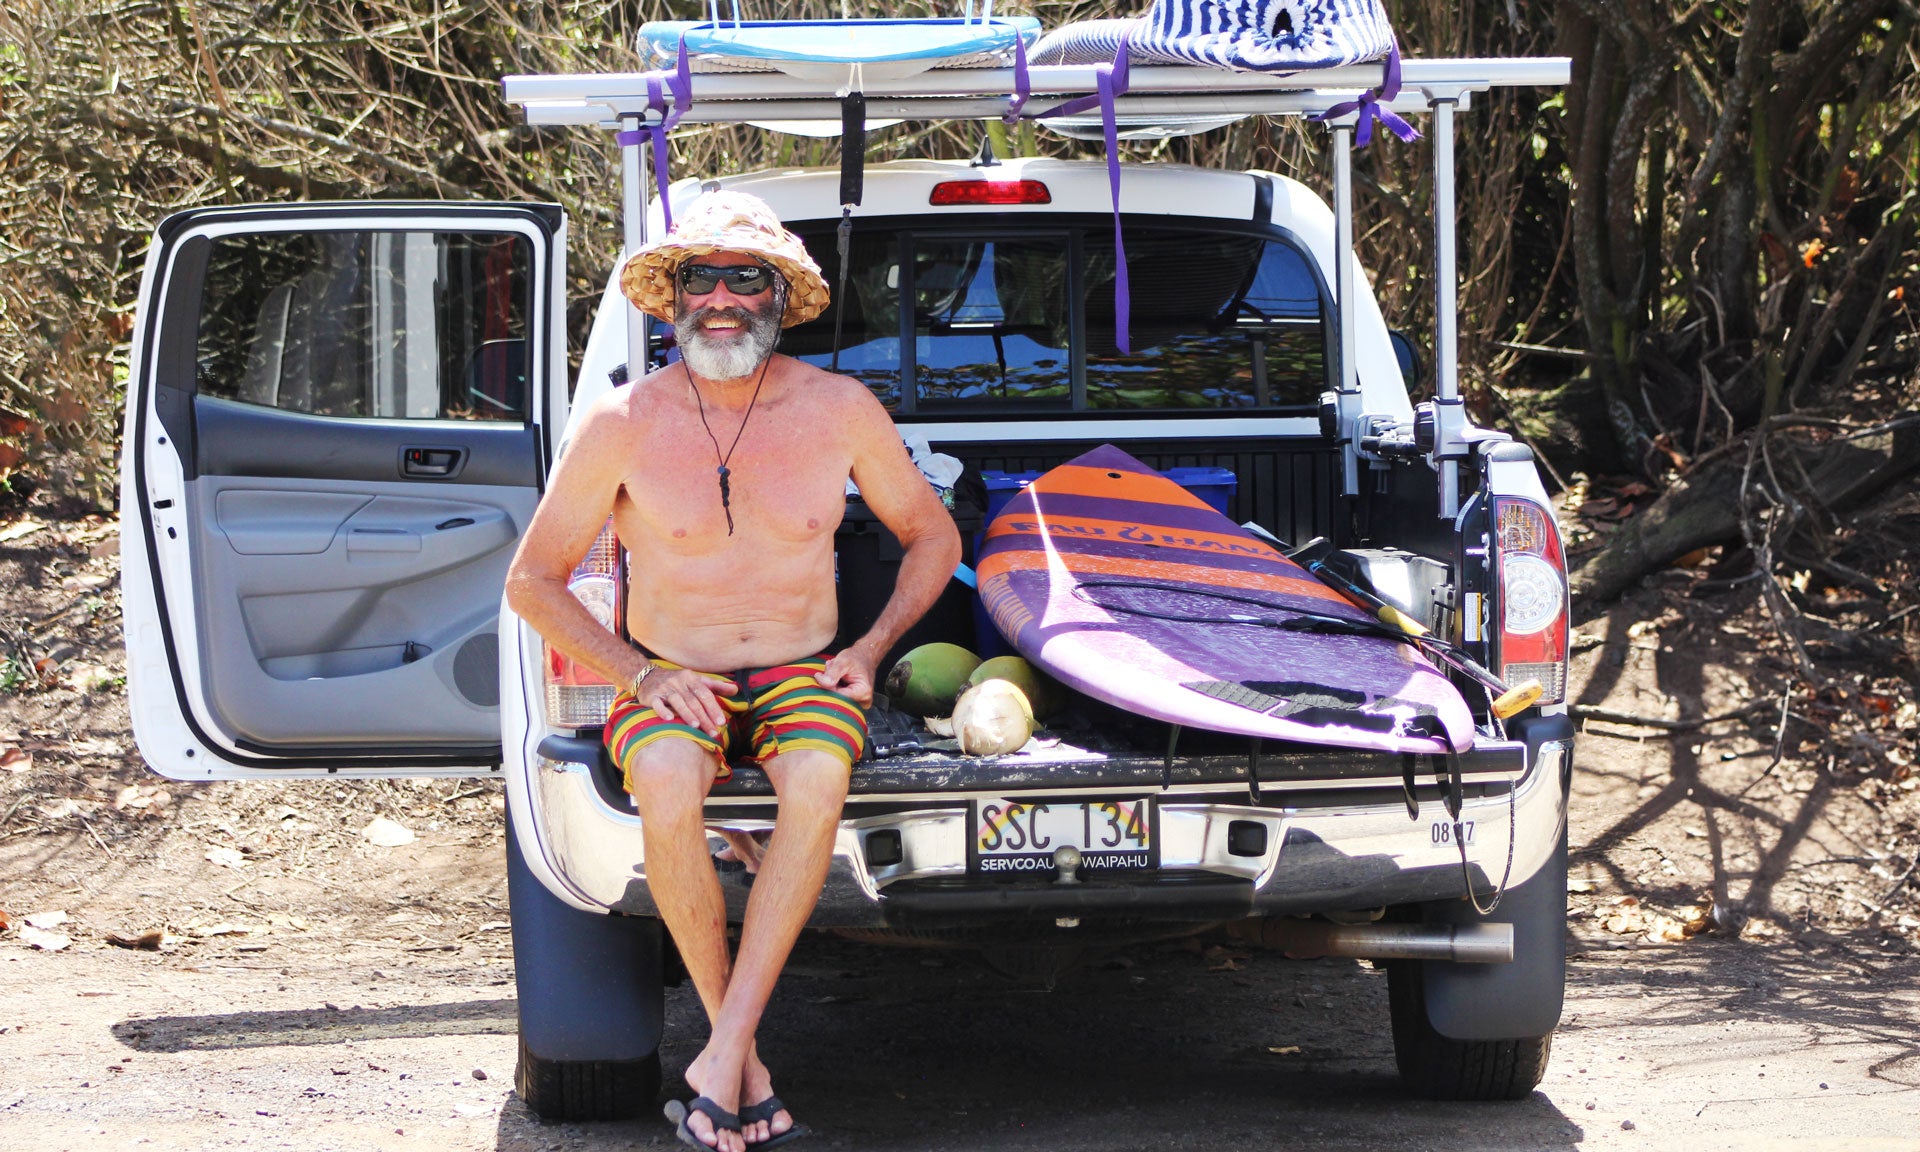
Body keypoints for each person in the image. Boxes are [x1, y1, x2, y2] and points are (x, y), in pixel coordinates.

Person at [504, 191, 960, 1151]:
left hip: (805, 670)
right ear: (671, 299)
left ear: (777, 297)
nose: (719, 298)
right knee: (667, 779)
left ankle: (725, 1058)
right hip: (675, 672)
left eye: (743, 278)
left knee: (819, 775)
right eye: (698, 278)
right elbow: (533, 582)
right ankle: (734, 1053)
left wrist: (868, 651)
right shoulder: (622, 421)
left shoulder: (839, 408)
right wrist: (634, 675)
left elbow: (931, 536)